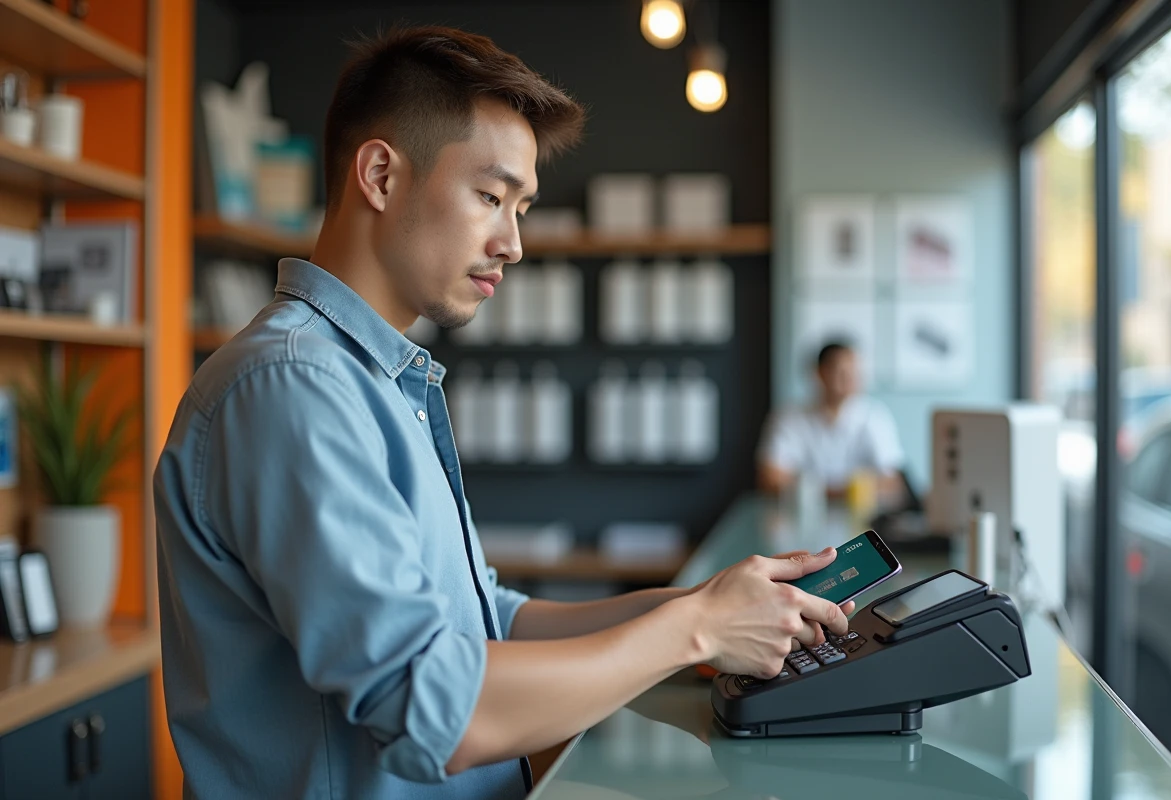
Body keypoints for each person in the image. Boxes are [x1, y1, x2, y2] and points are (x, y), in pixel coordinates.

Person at [154, 26, 852, 800]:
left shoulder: (376, 380)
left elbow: (491, 620)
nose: (513, 244)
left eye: (521, 207)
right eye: (491, 197)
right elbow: (432, 707)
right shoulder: (290, 388)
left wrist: (703, 604)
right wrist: (693, 632)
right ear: (381, 175)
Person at [757, 340, 905, 502]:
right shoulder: (789, 417)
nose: (850, 380)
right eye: (842, 372)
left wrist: (810, 490)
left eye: (855, 373)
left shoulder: (875, 416)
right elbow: (770, 478)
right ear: (820, 373)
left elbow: (892, 481)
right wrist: (846, 492)